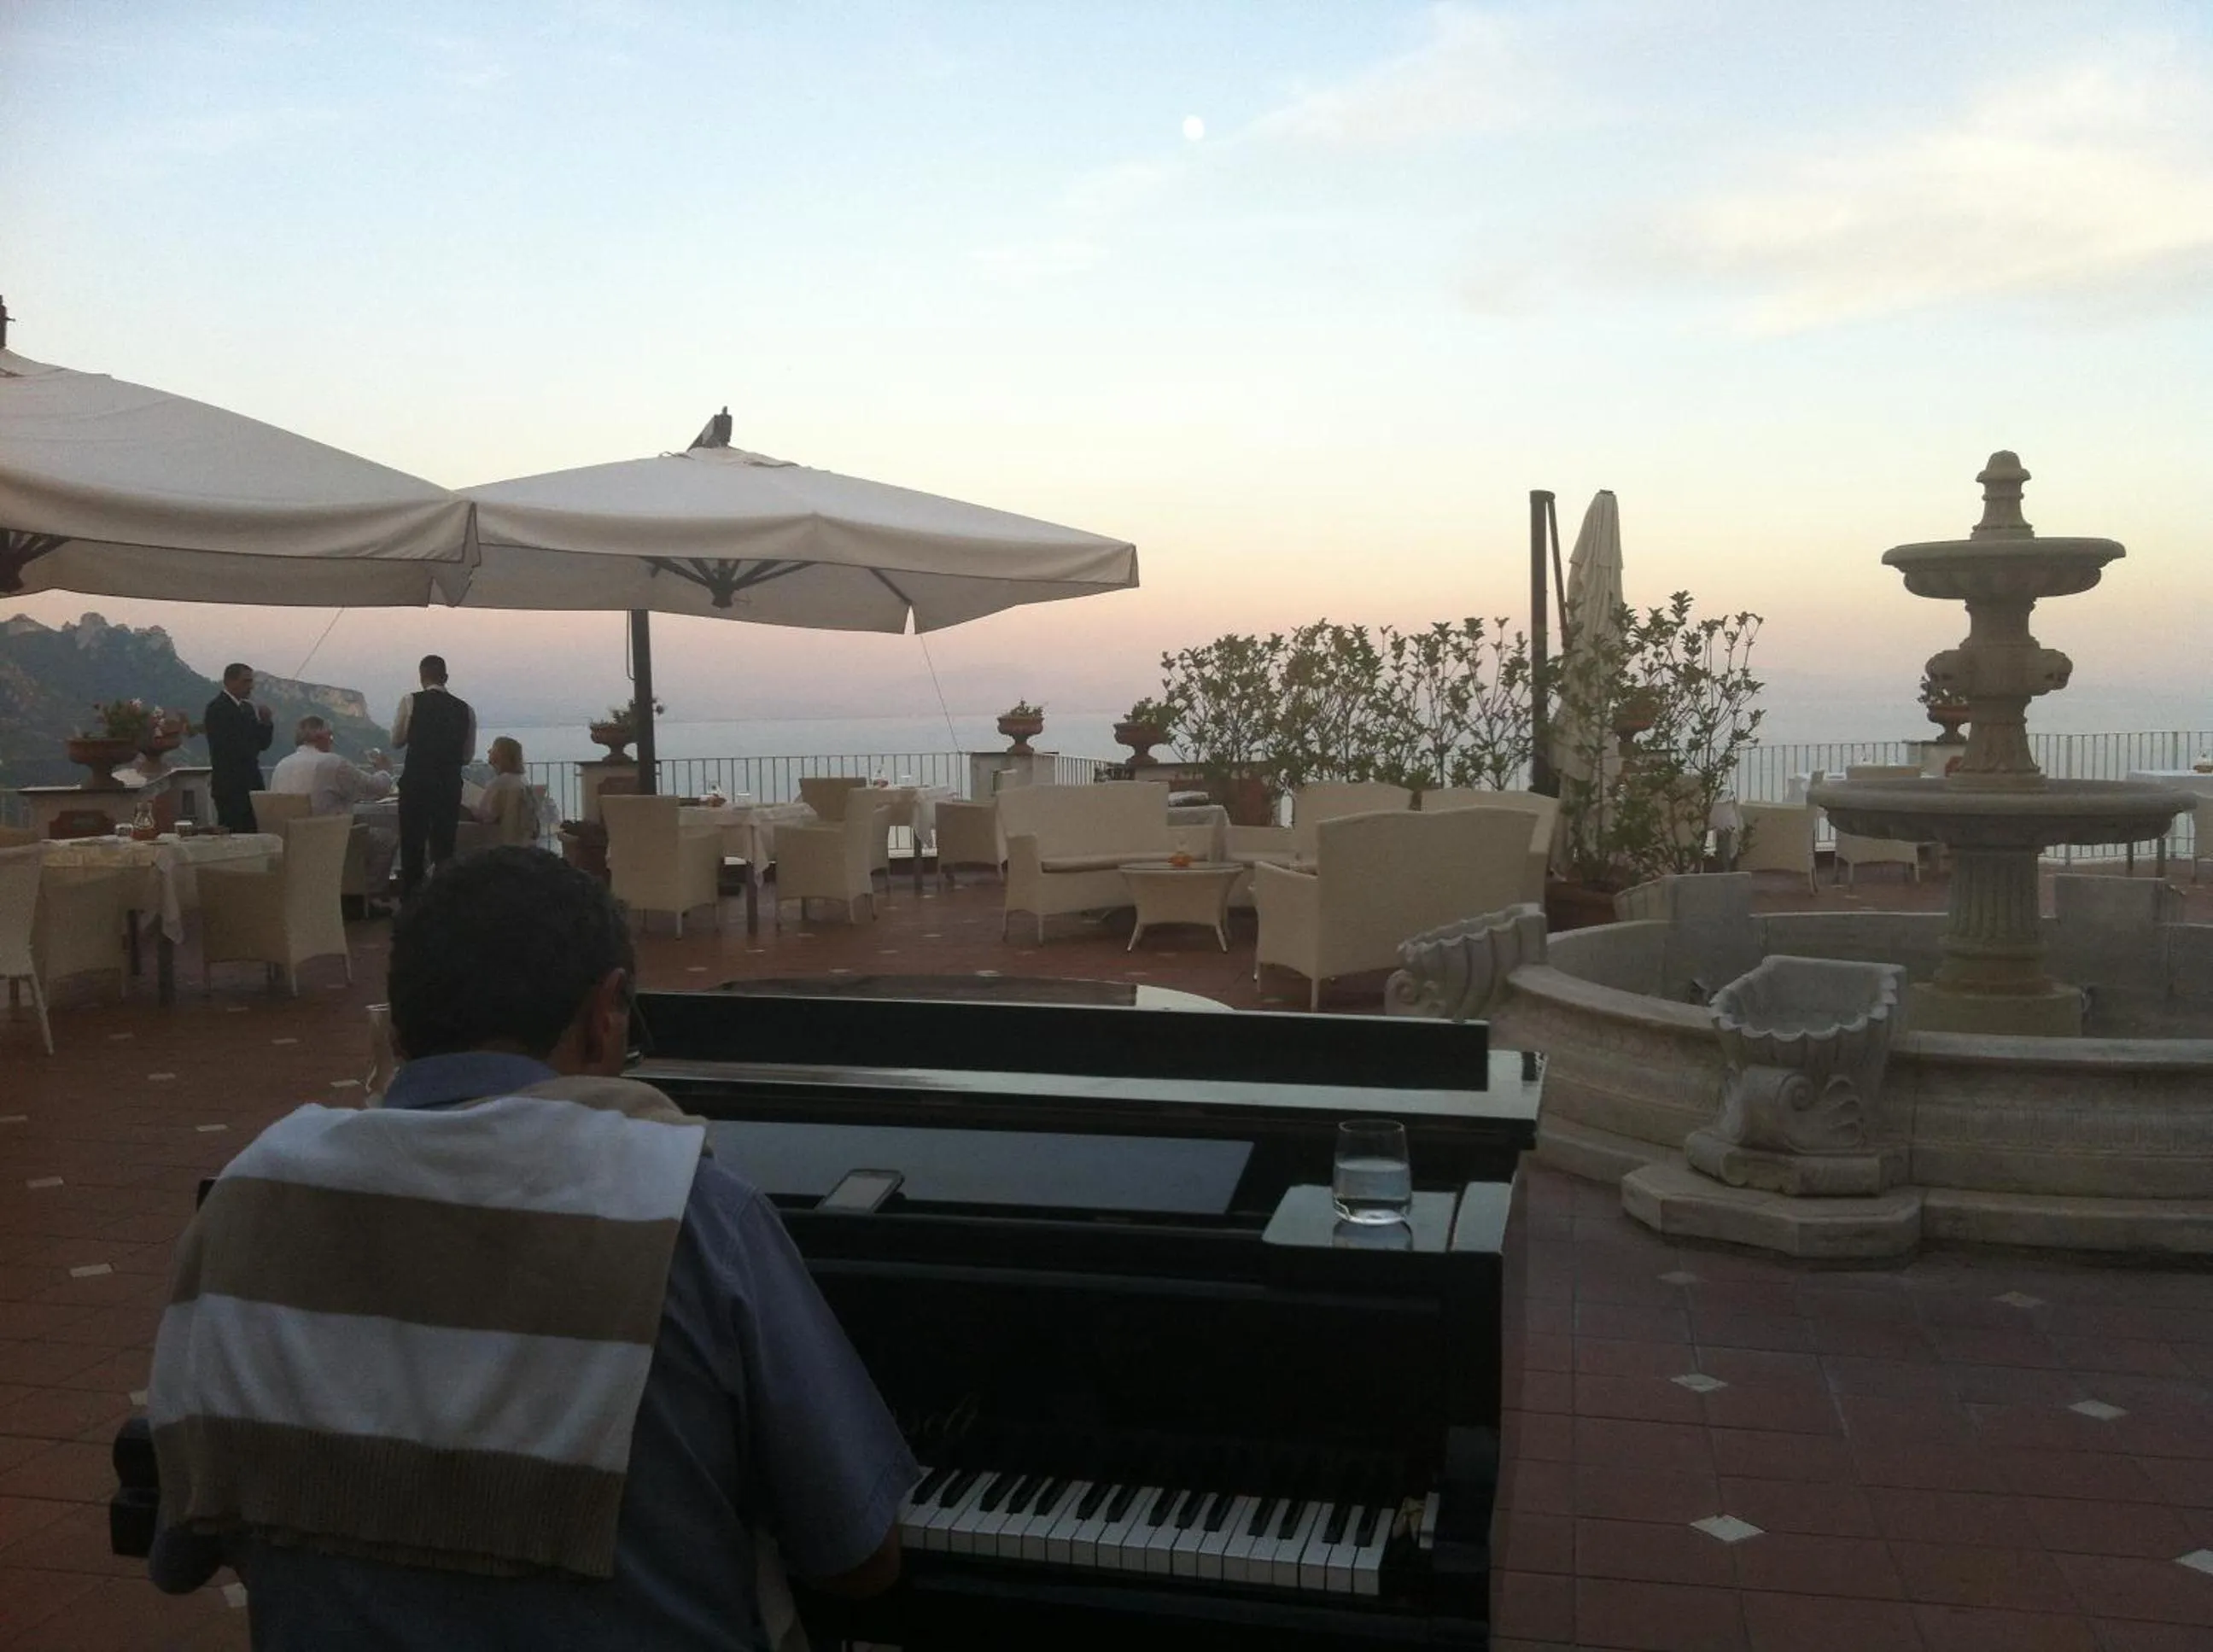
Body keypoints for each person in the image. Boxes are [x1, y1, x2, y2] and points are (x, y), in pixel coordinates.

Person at [146, 848, 914, 1649]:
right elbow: (860, 1558)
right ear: (605, 1012)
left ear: (400, 1027)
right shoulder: (690, 1214)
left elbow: (183, 1547)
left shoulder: (252, 1197)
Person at [392, 653, 476, 897]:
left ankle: (411, 901)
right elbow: (467, 757)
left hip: (416, 782)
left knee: (412, 843)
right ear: (446, 677)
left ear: (421, 677)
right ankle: (443, 901)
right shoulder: (465, 709)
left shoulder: (410, 701)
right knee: (444, 846)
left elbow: (396, 740)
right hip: (448, 785)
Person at [268, 715, 394, 815]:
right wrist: (384, 771)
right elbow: (376, 788)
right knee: (389, 836)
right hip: (329, 838)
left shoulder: (281, 766)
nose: (332, 741)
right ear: (321, 736)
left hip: (289, 841)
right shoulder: (333, 763)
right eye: (330, 735)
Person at [201, 663, 275, 833]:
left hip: (251, 783)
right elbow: (231, 746)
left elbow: (263, 744)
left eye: (251, 682)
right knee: (234, 832)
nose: (250, 686)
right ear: (230, 681)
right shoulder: (217, 708)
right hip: (230, 786)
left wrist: (266, 723)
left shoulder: (248, 709)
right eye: (245, 681)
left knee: (253, 831)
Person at [473, 734, 540, 846]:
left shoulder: (500, 783)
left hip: (502, 843)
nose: (488, 751)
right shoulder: (522, 781)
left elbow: (487, 816)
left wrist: (472, 809)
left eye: (492, 749)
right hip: (524, 842)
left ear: (499, 755)